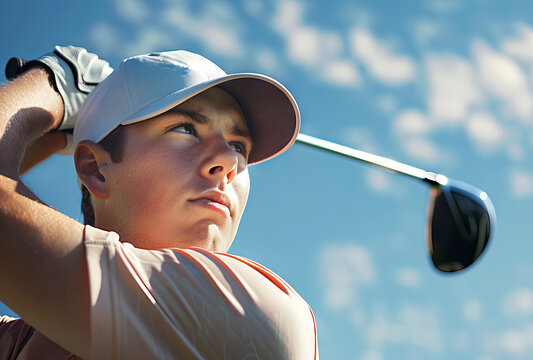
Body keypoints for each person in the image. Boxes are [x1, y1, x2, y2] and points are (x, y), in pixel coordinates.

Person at [0, 46, 318, 359]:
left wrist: (54, 84)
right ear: (95, 168)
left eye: (238, 146)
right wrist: (58, 128)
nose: (228, 160)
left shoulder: (256, 310)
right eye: (185, 129)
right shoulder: (23, 337)